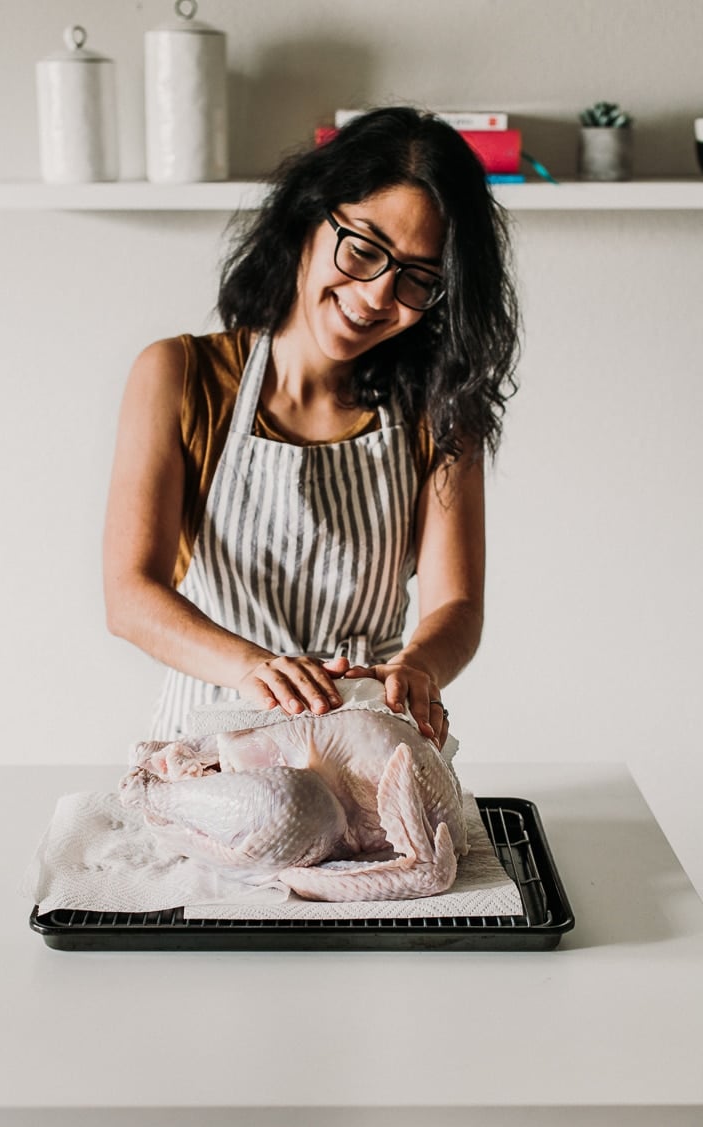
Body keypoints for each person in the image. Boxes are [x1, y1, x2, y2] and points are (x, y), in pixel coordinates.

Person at [103, 106, 519, 750]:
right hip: (212, 737)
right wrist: (254, 669)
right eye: (363, 250)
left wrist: (418, 668)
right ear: (308, 217)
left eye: (418, 279)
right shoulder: (178, 375)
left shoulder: (441, 409)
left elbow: (455, 606)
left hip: (364, 733)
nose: (380, 296)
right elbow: (130, 595)